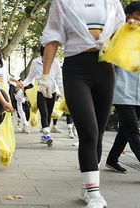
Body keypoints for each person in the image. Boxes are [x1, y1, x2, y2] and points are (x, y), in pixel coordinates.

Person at [40, 0, 125, 207]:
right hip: (76, 69)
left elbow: (119, 33)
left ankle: (89, 185)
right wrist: (45, 75)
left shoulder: (111, 2)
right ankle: (94, 193)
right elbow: (52, 37)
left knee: (99, 133)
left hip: (105, 69)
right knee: (89, 132)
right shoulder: (62, 3)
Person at [106, 1, 140, 174]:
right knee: (133, 129)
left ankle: (112, 159)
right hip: (122, 92)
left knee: (126, 130)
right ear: (128, 17)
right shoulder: (118, 36)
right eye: (139, 18)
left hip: (138, 94)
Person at [20, 46, 63, 147]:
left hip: (52, 90)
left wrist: (62, 92)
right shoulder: (36, 62)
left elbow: (59, 78)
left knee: (48, 112)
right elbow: (31, 76)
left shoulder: (55, 62)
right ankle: (47, 134)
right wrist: (23, 84)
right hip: (39, 89)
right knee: (43, 112)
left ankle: (44, 135)